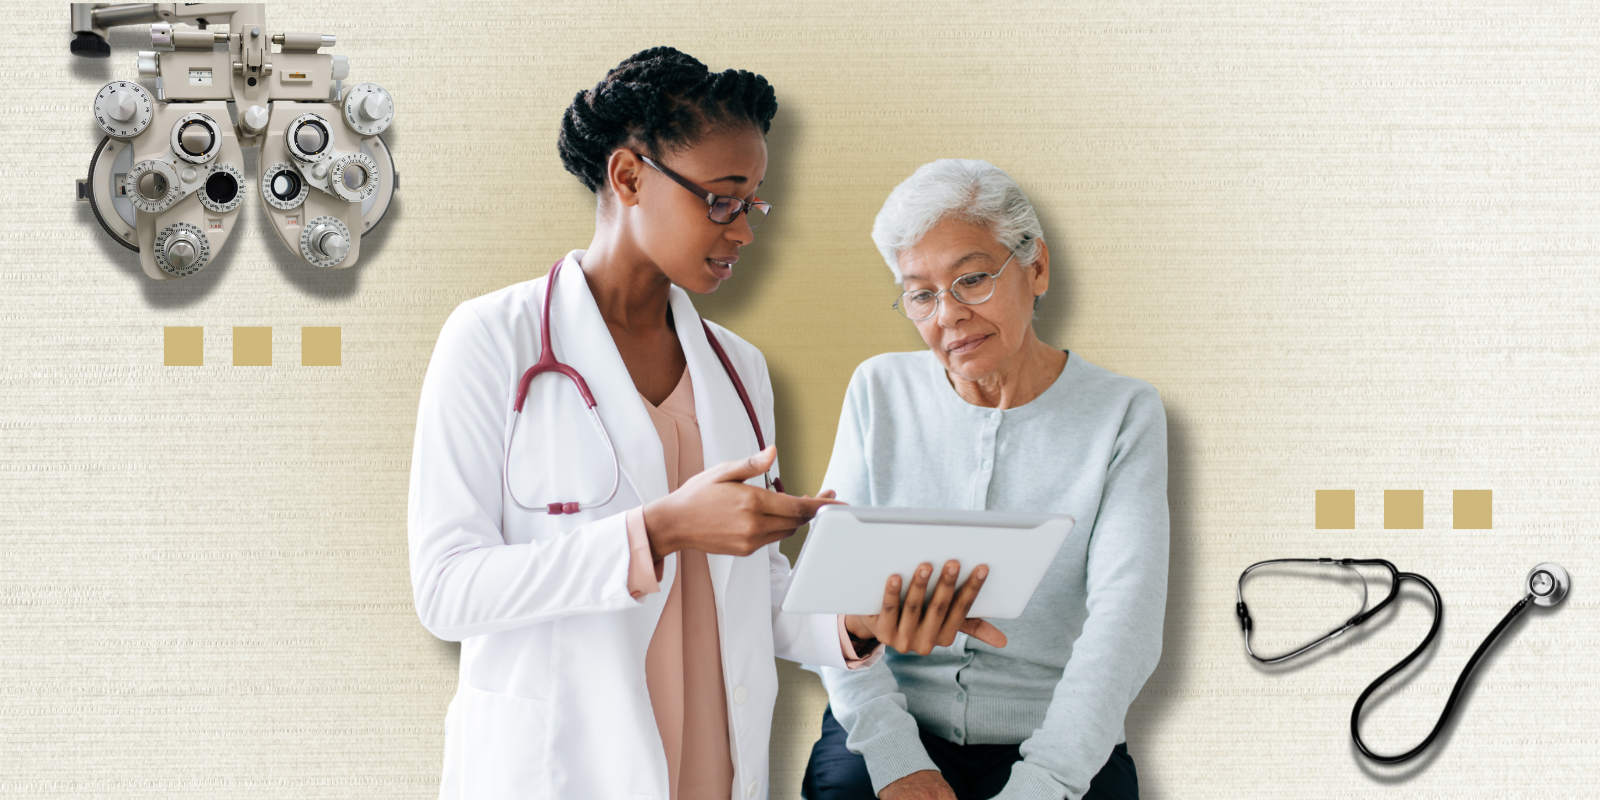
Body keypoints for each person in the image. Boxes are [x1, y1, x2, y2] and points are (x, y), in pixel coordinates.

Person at [407, 50, 1000, 800]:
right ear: (629, 177)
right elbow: (448, 590)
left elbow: (755, 590)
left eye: (752, 204)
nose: (744, 232)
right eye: (721, 201)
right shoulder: (493, 339)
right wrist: (659, 532)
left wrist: (856, 621)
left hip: (713, 768)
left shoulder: (739, 368)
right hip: (561, 767)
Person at [802, 159, 1169, 800]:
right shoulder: (879, 390)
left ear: (1036, 268)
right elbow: (829, 599)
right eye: (921, 294)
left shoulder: (1122, 413)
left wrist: (1045, 780)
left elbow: (1125, 624)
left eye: (971, 279)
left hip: (1058, 735)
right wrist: (895, 758)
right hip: (890, 721)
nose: (948, 314)